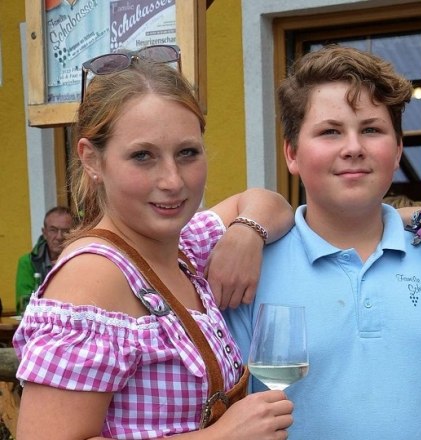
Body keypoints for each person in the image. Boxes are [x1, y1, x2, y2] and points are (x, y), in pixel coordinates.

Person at [13, 47, 296, 439]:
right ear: (92, 160)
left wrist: (245, 233)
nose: (173, 181)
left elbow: (272, 204)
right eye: (143, 156)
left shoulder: (182, 247)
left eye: (187, 153)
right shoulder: (94, 277)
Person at [224, 45, 421, 440]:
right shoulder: (249, 268)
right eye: (330, 131)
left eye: (371, 129)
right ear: (292, 153)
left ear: (398, 150)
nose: (353, 147)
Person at [15, 206, 75, 314]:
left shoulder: (81, 261)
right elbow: (25, 305)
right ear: (44, 233)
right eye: (53, 230)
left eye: (66, 231)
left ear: (74, 233)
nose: (59, 236)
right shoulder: (28, 262)